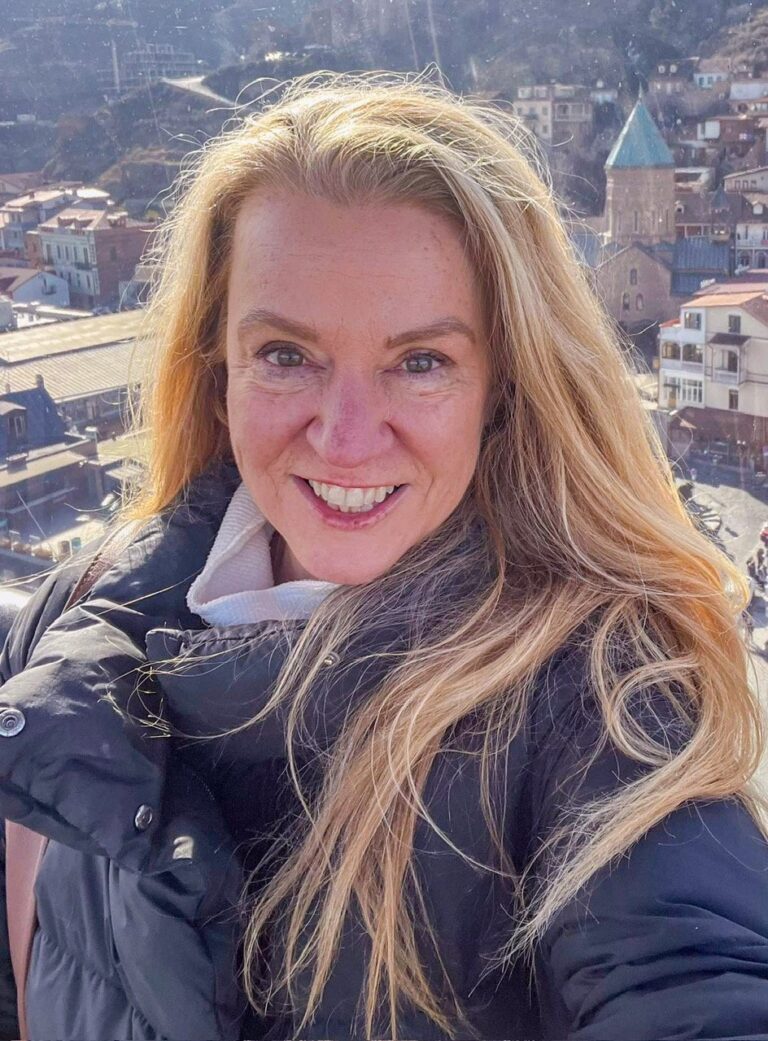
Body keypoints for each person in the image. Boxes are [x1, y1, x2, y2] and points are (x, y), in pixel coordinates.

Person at [0, 71, 767, 1041]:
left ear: (501, 387)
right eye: (286, 354)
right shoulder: (74, 627)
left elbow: (697, 978)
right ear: (216, 364)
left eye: (420, 361)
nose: (347, 438)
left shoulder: (600, 700)